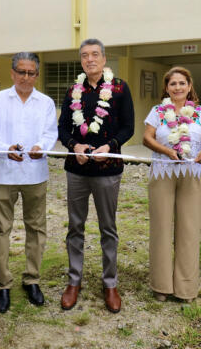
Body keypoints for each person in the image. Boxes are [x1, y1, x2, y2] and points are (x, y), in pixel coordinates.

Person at [57, 38, 135, 313]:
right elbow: (63, 128)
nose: (90, 60)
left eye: (94, 55)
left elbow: (128, 127)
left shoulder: (119, 88)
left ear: (103, 59)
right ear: (81, 61)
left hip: (107, 170)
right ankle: (74, 281)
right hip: (76, 170)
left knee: (108, 228)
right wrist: (73, 146)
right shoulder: (72, 91)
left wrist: (110, 146)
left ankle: (110, 283)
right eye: (85, 56)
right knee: (75, 226)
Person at [0, 52, 57, 313]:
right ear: (12, 73)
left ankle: (32, 279)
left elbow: (50, 133)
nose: (26, 77)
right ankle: (2, 284)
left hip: (36, 174)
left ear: (37, 75)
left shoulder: (45, 102)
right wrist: (4, 148)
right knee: (1, 228)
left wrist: (41, 147)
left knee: (36, 227)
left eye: (31, 72)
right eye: (21, 72)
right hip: (4, 173)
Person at [143, 67, 201, 302]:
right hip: (163, 171)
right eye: (173, 84)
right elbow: (147, 138)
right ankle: (161, 285)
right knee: (161, 227)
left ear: (189, 86)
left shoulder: (199, 111)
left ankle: (185, 288)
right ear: (167, 87)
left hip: (191, 172)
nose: (178, 87)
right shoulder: (157, 111)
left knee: (189, 229)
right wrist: (165, 150)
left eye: (182, 83)